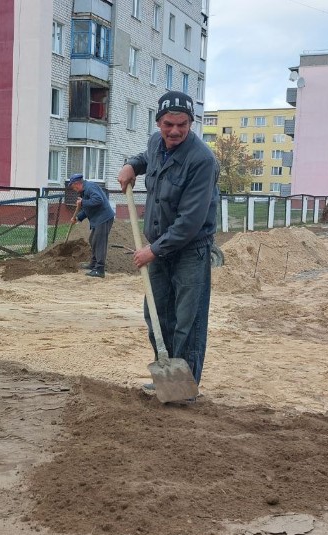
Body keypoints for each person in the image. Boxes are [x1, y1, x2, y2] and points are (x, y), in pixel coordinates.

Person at [116, 91, 219, 388]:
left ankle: (185, 387)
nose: (175, 131)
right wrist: (132, 165)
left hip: (190, 250)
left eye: (182, 125)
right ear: (158, 122)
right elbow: (147, 158)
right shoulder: (155, 142)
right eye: (168, 124)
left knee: (188, 321)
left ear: (191, 123)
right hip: (159, 246)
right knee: (158, 315)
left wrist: (153, 251)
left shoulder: (202, 161)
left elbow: (190, 221)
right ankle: (167, 378)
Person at [67, 173, 114, 278]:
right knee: (93, 240)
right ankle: (93, 264)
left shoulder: (90, 187)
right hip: (98, 219)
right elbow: (87, 208)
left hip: (104, 218)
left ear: (77, 183)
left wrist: (83, 202)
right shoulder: (84, 191)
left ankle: (99, 269)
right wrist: (78, 218)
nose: (73, 189)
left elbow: (98, 200)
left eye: (73, 186)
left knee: (99, 242)